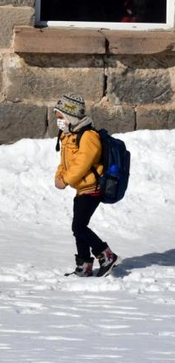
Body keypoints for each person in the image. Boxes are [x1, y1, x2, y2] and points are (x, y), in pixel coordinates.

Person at [53, 94, 121, 277]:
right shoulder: (69, 136)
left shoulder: (89, 136)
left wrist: (66, 179)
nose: (58, 122)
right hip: (82, 189)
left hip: (93, 189)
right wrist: (59, 176)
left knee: (79, 227)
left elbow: (82, 164)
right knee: (78, 229)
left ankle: (106, 255)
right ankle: (84, 265)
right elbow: (65, 162)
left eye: (60, 117)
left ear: (70, 117)